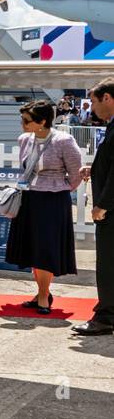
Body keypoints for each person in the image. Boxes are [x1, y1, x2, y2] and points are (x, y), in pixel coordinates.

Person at [6, 100, 83, 314]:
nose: (22, 124)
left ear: (42, 122)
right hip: (29, 198)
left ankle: (42, 296)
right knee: (33, 247)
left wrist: (62, 187)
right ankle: (43, 293)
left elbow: (76, 173)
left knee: (46, 249)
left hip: (53, 200)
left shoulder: (63, 141)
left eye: (26, 120)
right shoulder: (24, 139)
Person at [74, 78, 114, 334]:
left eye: (94, 102)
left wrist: (103, 204)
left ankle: (106, 317)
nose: (92, 108)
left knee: (109, 264)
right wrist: (95, 168)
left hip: (112, 210)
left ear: (108, 98)